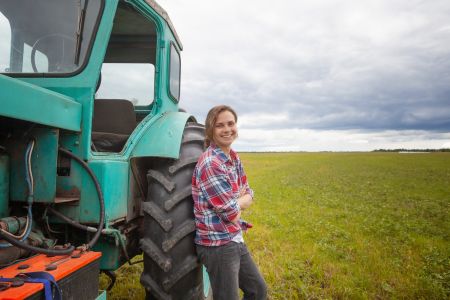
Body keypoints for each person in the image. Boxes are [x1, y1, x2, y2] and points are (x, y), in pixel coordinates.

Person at [192, 105, 267, 300]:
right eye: (220, 125)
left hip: (233, 237)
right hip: (218, 245)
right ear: (210, 130)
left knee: (258, 290)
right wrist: (240, 201)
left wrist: (238, 200)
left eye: (231, 123)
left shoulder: (233, 158)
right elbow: (232, 214)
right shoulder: (211, 163)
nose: (227, 129)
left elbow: (249, 191)